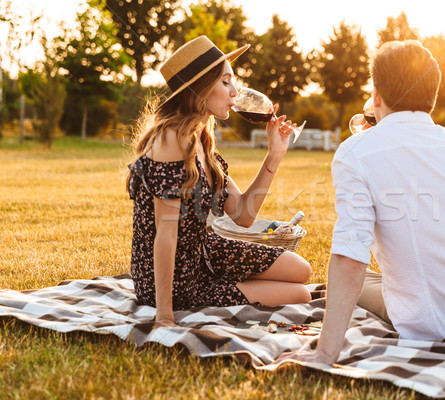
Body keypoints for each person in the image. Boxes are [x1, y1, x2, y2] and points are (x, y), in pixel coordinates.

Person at [281, 40, 445, 364]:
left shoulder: (354, 153)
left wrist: (326, 352)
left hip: (422, 322)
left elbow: (350, 257)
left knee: (351, 281)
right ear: (433, 97)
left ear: (376, 96)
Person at [126, 36, 311, 327]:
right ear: (199, 89)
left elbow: (244, 215)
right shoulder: (170, 139)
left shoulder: (202, 140)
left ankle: (228, 280)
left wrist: (274, 154)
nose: (235, 92)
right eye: (226, 82)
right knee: (300, 295)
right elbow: (165, 234)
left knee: (301, 269)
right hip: (177, 277)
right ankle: (209, 291)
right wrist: (164, 316)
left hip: (205, 251)